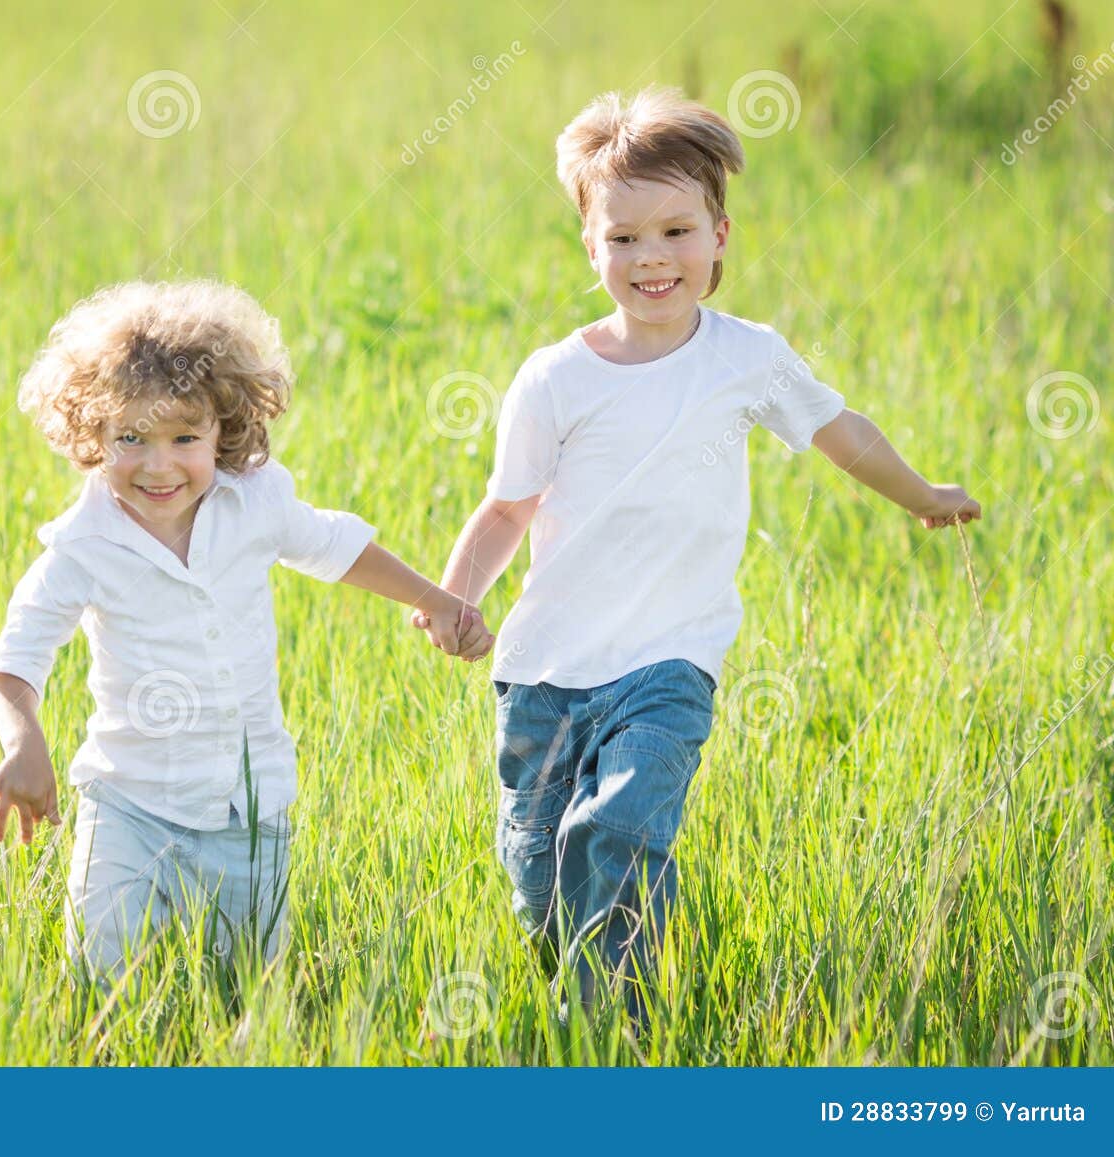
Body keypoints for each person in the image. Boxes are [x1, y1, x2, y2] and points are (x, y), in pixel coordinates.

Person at [418, 86, 981, 1027]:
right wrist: (454, 597)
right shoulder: (555, 377)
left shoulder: (746, 357)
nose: (652, 259)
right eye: (624, 238)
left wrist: (923, 495)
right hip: (544, 671)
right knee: (541, 875)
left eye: (676, 231)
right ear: (589, 246)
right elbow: (505, 507)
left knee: (623, 825)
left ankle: (638, 1023)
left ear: (720, 234)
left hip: (670, 661)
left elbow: (841, 431)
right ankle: (579, 1012)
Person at [0, 279, 491, 995]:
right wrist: (24, 743)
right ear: (92, 433)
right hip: (127, 808)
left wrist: (433, 598)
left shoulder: (254, 502)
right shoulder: (81, 546)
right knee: (104, 984)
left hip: (250, 809)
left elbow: (331, 545)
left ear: (225, 429)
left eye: (185, 436)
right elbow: (15, 660)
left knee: (242, 992)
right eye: (131, 437)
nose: (158, 464)